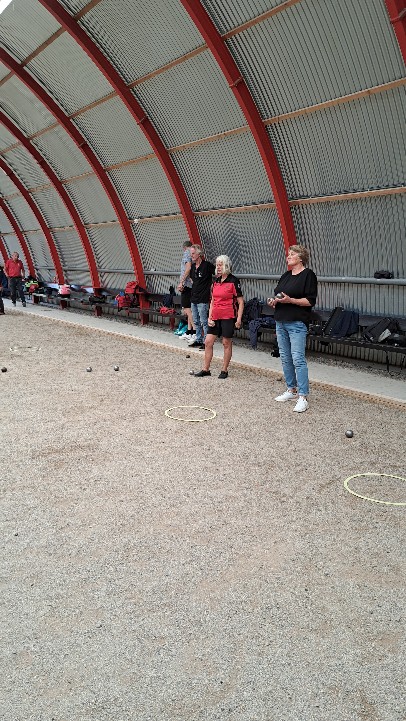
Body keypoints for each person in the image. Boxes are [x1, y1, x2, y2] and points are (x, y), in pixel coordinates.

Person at [268, 245, 317, 412]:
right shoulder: (286, 275)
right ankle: (291, 389)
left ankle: (303, 396)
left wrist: (291, 301)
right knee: (285, 357)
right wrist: (274, 301)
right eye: (288, 254)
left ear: (301, 258)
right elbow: (279, 295)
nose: (288, 256)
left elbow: (310, 301)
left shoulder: (308, 275)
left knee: (298, 358)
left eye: (292, 254)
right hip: (281, 321)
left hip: (297, 322)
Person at [194, 255, 244, 379]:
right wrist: (210, 317)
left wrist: (238, 319)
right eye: (217, 265)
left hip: (228, 316)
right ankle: (206, 369)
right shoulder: (216, 281)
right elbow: (212, 301)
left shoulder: (234, 281)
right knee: (208, 342)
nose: (218, 267)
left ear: (226, 265)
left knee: (226, 342)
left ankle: (224, 370)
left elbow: (240, 302)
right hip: (215, 316)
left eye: (221, 265)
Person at [188, 245, 215, 349]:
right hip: (194, 297)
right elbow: (192, 279)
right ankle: (198, 339)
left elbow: (218, 274)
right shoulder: (193, 267)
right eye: (191, 254)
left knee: (204, 321)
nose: (191, 256)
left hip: (203, 298)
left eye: (193, 253)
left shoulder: (207, 265)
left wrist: (213, 285)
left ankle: (206, 342)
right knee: (196, 321)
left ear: (199, 254)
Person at [177, 240, 195, 339]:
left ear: (184, 248)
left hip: (187, 285)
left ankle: (195, 331)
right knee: (189, 309)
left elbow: (188, 268)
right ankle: (189, 331)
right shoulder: (193, 254)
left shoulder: (186, 253)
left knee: (186, 308)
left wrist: (181, 282)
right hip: (192, 286)